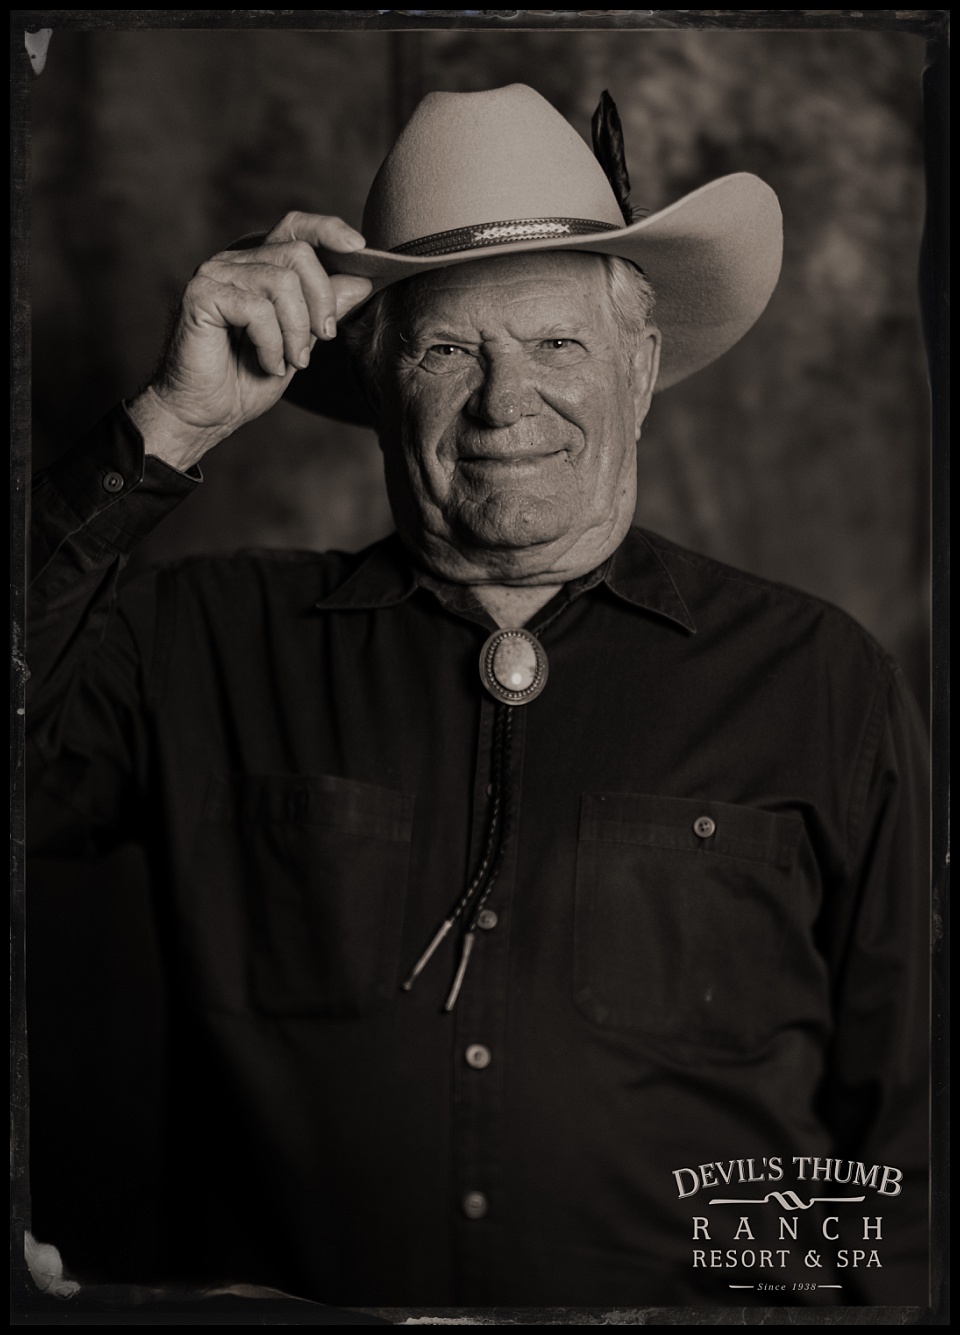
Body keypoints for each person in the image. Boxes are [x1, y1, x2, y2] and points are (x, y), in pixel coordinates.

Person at [27, 84, 928, 1308]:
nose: (508, 402)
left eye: (556, 343)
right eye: (452, 349)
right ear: (386, 376)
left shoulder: (821, 682)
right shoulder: (207, 640)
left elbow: (915, 1144)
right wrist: (171, 424)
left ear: (641, 362)